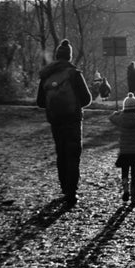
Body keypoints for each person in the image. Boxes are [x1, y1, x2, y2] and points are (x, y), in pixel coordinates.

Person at [35, 39, 92, 205]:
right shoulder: (74, 74)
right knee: (73, 154)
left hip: (56, 121)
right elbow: (87, 99)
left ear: (56, 56)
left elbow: (39, 102)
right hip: (73, 120)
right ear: (69, 57)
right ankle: (71, 193)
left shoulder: (46, 75)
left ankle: (64, 188)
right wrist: (74, 105)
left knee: (61, 153)